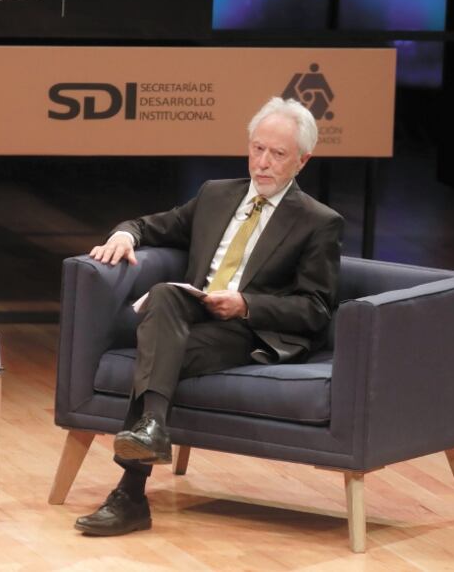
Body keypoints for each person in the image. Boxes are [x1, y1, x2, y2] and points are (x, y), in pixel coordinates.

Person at [74, 97, 343, 537]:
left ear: (302, 160)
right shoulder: (217, 194)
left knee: (159, 351)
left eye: (277, 154)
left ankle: (130, 492)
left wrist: (246, 304)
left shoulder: (318, 222)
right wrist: (124, 233)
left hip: (249, 332)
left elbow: (316, 309)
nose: (263, 163)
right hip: (191, 313)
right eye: (257, 149)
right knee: (163, 293)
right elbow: (151, 225)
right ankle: (151, 431)